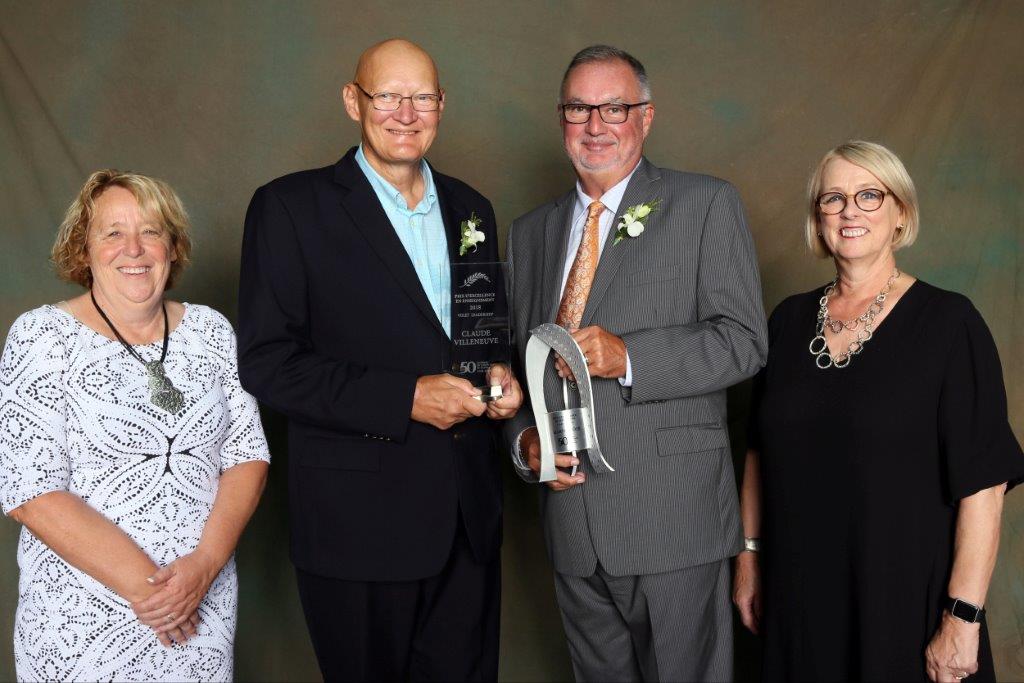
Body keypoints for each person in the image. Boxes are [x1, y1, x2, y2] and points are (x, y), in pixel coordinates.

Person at [236, 38, 522, 681]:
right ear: (353, 100)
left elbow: (481, 337)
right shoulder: (289, 208)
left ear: (442, 104)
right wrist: (405, 398)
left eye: (422, 98)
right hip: (357, 527)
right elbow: (267, 362)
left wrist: (500, 377)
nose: (406, 114)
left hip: (468, 522)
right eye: (388, 96)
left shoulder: (472, 208)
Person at [504, 45, 768, 681]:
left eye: (614, 108)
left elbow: (744, 341)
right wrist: (524, 445)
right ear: (561, 119)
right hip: (572, 529)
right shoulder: (529, 233)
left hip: (672, 519)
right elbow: (517, 368)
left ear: (646, 117)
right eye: (578, 109)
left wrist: (631, 357)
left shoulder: (706, 204)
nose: (595, 125)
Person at [733, 140, 1024, 682]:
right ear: (818, 218)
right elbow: (757, 451)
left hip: (904, 603)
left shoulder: (949, 323)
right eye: (833, 198)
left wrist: (962, 617)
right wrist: (748, 557)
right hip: (799, 598)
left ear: (900, 213)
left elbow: (983, 484)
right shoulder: (786, 322)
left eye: (869, 195)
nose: (850, 211)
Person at [0, 170, 270, 682]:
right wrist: (158, 596)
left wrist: (202, 569)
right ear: (83, 249)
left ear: (173, 246)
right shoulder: (41, 336)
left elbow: (248, 456)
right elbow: (32, 492)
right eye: (113, 233)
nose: (134, 249)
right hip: (83, 622)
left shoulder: (212, 331)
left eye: (151, 231)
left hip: (202, 608)